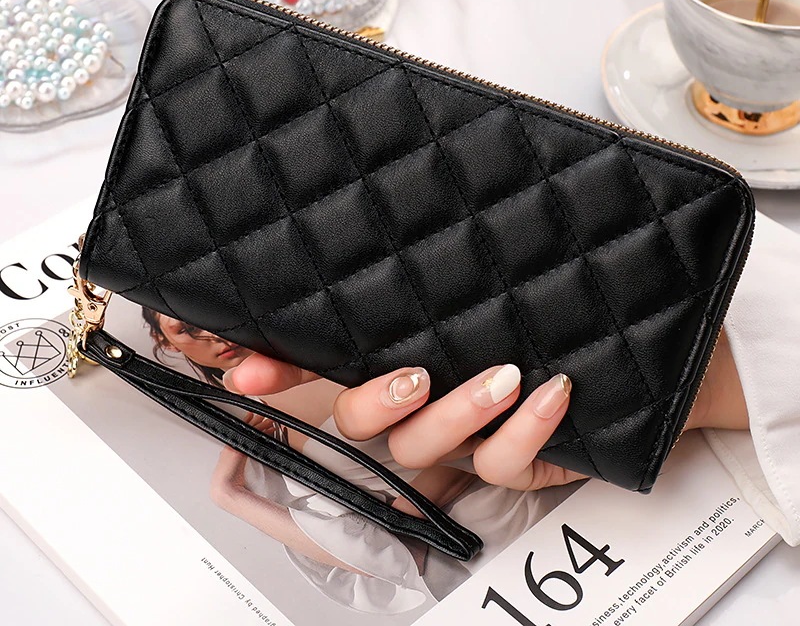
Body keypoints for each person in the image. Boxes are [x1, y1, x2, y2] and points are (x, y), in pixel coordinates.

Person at [219, 212, 800, 549]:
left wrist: (696, 376)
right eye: (181, 334)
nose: (200, 334)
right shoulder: (285, 404)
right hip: (521, 509)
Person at [142, 307, 572, 612]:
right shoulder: (259, 431)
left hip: (530, 510)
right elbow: (367, 559)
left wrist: (400, 517)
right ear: (164, 341)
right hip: (474, 568)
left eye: (201, 314)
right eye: (185, 329)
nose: (211, 336)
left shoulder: (323, 343)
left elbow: (382, 542)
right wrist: (228, 492)